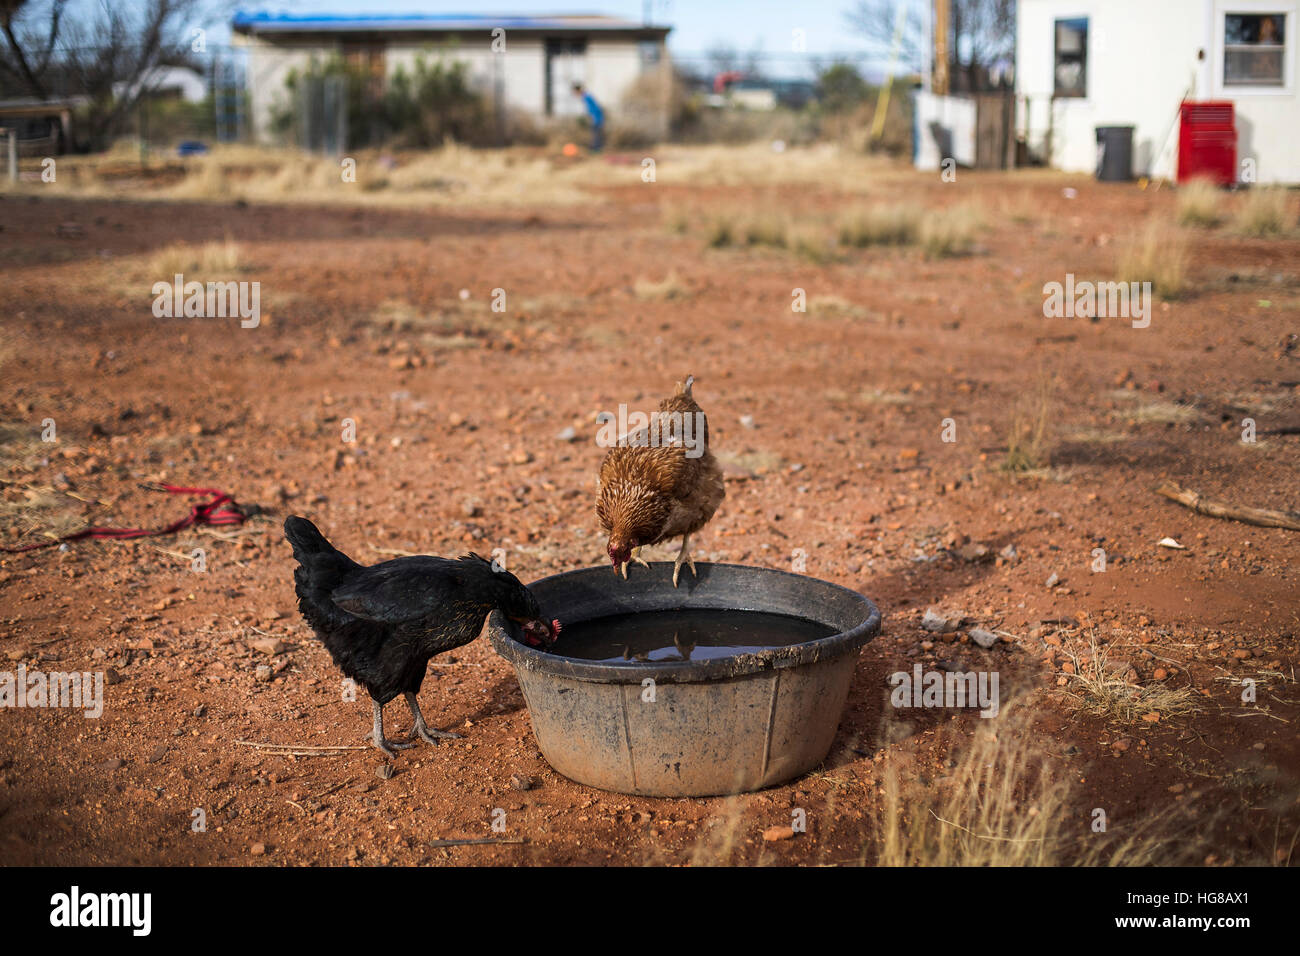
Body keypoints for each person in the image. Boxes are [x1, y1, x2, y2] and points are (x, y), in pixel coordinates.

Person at [572, 83, 604, 153]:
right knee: (595, 133)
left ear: (578, 90)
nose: (575, 94)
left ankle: (596, 149)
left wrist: (592, 117)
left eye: (575, 92)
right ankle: (595, 148)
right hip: (595, 118)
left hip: (596, 118)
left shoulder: (586, 97)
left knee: (596, 133)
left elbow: (594, 108)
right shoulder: (586, 96)